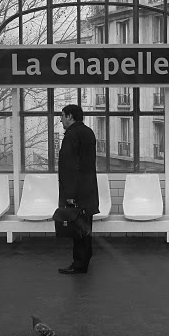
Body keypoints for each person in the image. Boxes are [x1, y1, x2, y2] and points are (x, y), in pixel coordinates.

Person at [58, 104, 99, 274]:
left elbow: (70, 167)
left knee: (77, 229)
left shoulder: (72, 135)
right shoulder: (88, 132)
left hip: (76, 192)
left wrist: (69, 195)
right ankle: (85, 259)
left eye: (62, 116)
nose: (61, 120)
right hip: (88, 188)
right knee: (86, 226)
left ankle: (79, 264)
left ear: (70, 116)